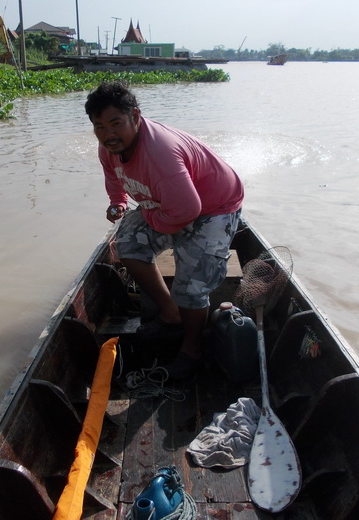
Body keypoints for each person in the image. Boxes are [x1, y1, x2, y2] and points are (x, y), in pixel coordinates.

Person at [85, 81, 244, 379]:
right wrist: (118, 202)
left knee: (192, 287)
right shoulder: (109, 148)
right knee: (128, 243)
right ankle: (170, 313)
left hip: (214, 208)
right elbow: (114, 177)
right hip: (170, 204)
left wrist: (161, 223)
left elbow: (187, 211)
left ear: (135, 116)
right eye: (99, 126)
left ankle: (192, 349)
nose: (108, 134)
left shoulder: (160, 154)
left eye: (116, 123)